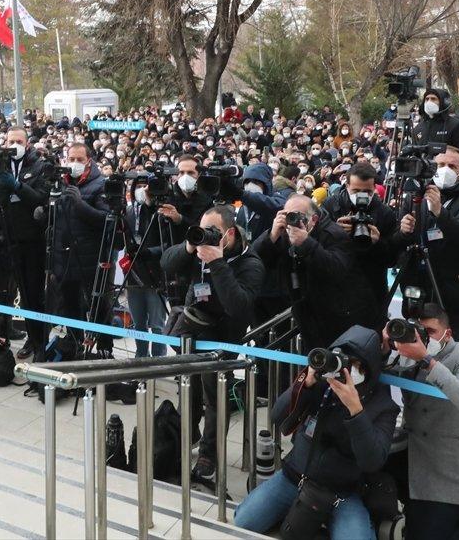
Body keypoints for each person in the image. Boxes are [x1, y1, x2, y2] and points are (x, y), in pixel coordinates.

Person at [234, 325, 398, 539]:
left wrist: (356, 411)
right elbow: (277, 417)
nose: (346, 372)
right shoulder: (322, 385)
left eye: (355, 366)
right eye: (343, 363)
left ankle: (320, 520)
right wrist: (305, 384)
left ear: (368, 370)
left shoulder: (384, 406)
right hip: (294, 478)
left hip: (343, 492)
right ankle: (302, 516)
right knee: (244, 520)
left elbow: (372, 461)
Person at [382, 304, 459, 539]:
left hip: (447, 466)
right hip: (411, 452)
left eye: (429, 331)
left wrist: (427, 359)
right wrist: (383, 349)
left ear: (447, 333)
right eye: (417, 330)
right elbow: (380, 375)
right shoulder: (406, 354)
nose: (421, 337)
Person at [160, 205, 265, 482]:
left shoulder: (250, 263)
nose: (206, 236)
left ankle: (209, 453)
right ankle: (187, 435)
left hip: (223, 339)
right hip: (192, 333)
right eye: (203, 229)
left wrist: (217, 263)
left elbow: (238, 307)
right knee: (189, 388)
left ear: (229, 234)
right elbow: (166, 264)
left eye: (213, 232)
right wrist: (188, 248)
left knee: (214, 398)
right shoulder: (198, 247)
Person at [251, 194, 377, 350]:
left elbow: (335, 269)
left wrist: (306, 243)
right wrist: (271, 236)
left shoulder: (334, 234)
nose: (292, 220)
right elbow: (254, 260)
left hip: (341, 314)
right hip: (306, 311)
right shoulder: (285, 234)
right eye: (287, 215)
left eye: (298, 216)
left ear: (314, 219)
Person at [397, 146, 459, 343]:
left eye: (452, 165)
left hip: (451, 293)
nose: (445, 169)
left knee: (452, 349)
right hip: (418, 287)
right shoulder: (414, 198)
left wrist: (440, 212)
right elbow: (401, 242)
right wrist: (403, 230)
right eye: (441, 164)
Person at [0, 127, 52, 360]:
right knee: (7, 291)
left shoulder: (39, 166)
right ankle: (8, 339)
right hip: (5, 238)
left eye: (19, 141)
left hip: (31, 240)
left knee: (32, 294)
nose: (14, 144)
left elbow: (40, 198)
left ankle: (38, 341)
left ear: (27, 143)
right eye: (10, 141)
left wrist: (16, 185)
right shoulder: (0, 164)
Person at [46, 143, 114, 352]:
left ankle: (104, 349)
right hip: (64, 259)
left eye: (79, 159)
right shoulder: (60, 183)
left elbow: (106, 220)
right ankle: (74, 344)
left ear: (89, 161)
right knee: (69, 306)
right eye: (71, 159)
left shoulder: (100, 184)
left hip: (91, 259)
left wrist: (80, 204)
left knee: (99, 307)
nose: (74, 163)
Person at [321, 161, 400, 314]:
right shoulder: (330, 206)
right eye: (356, 190)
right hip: (337, 285)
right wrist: (335, 232)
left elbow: (392, 259)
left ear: (374, 189)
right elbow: (318, 247)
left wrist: (377, 243)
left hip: (371, 288)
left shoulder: (385, 213)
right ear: (346, 186)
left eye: (368, 192)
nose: (361, 196)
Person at [121, 178, 169, 358]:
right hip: (133, 273)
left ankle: (158, 358)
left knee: (157, 324)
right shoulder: (127, 210)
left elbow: (168, 242)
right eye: (138, 187)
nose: (141, 190)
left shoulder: (159, 211)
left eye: (145, 187)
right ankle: (141, 355)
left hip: (155, 273)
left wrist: (149, 252)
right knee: (138, 322)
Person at [411, 88, 459, 165]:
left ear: (444, 103)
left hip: (448, 172)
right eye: (427, 99)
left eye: (433, 99)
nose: (429, 102)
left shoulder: (456, 125)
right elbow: (415, 154)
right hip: (423, 174)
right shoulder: (419, 127)